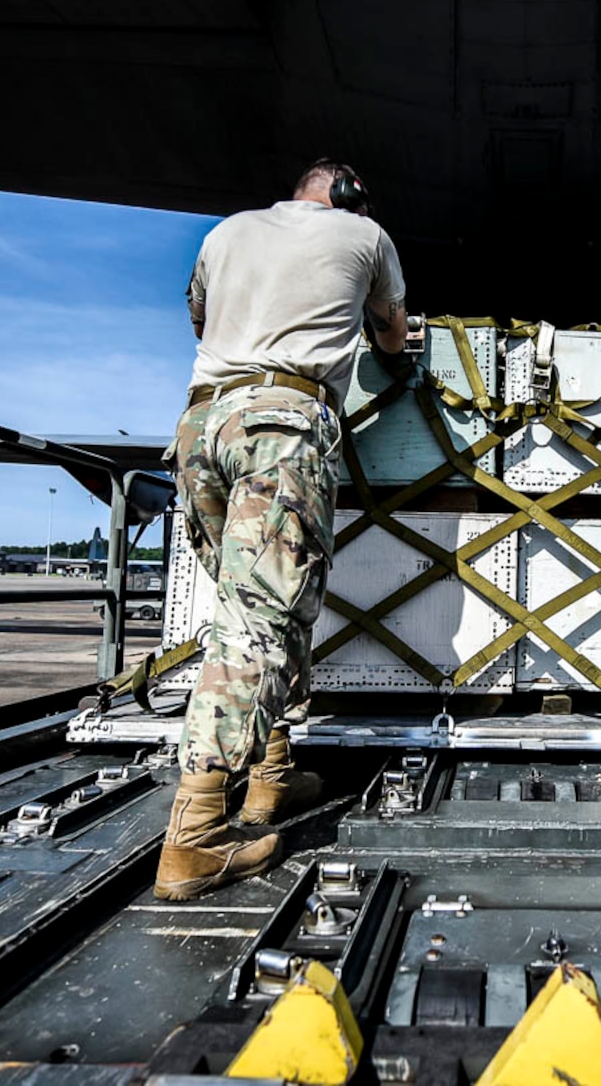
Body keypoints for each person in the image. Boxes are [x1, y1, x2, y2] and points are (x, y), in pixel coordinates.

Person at [155, 158, 410, 901]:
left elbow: (199, 317)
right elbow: (392, 337)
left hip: (203, 423)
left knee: (250, 608)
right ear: (351, 193)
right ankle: (196, 835)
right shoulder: (364, 234)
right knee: (259, 624)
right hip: (282, 424)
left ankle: (269, 777)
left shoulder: (226, 232)